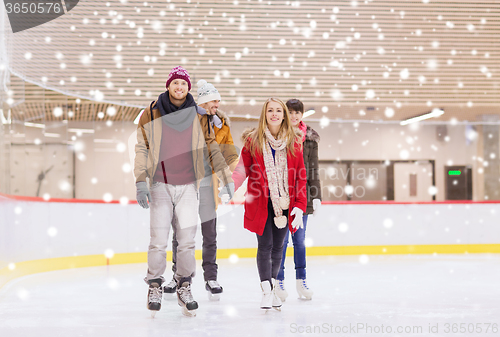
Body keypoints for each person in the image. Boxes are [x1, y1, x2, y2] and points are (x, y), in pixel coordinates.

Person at [134, 66, 234, 317]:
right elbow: (142, 147)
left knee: (187, 241)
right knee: (158, 240)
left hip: (189, 184)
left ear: (189, 88)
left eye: (184, 84)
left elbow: (212, 147)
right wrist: (140, 181)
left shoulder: (199, 115)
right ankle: (154, 285)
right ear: (169, 85)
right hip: (160, 183)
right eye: (176, 83)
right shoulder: (152, 111)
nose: (180, 88)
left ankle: (184, 285)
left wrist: (225, 176)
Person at [164, 79, 239, 300]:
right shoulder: (188, 118)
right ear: (205, 101)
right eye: (214, 100)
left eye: (218, 100)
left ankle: (211, 277)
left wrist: (229, 179)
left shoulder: (222, 125)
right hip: (186, 183)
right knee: (180, 233)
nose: (217, 103)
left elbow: (230, 155)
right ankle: (177, 276)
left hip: (208, 185)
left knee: (210, 232)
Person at [232, 98, 307, 310]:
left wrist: (300, 205)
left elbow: (301, 177)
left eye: (278, 111)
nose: (274, 114)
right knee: (264, 246)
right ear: (264, 114)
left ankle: (273, 287)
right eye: (270, 110)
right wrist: (231, 185)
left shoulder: (294, 142)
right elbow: (242, 169)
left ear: (284, 115)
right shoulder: (253, 141)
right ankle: (266, 290)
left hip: (285, 203)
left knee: (278, 248)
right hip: (260, 203)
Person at [274, 99, 322, 301]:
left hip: (303, 197)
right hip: (283, 196)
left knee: (299, 241)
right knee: (282, 241)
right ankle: (279, 280)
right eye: (290, 112)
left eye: (297, 113)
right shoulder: (277, 136)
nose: (294, 116)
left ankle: (301, 281)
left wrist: (317, 195)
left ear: (302, 115)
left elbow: (313, 170)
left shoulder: (310, 140)